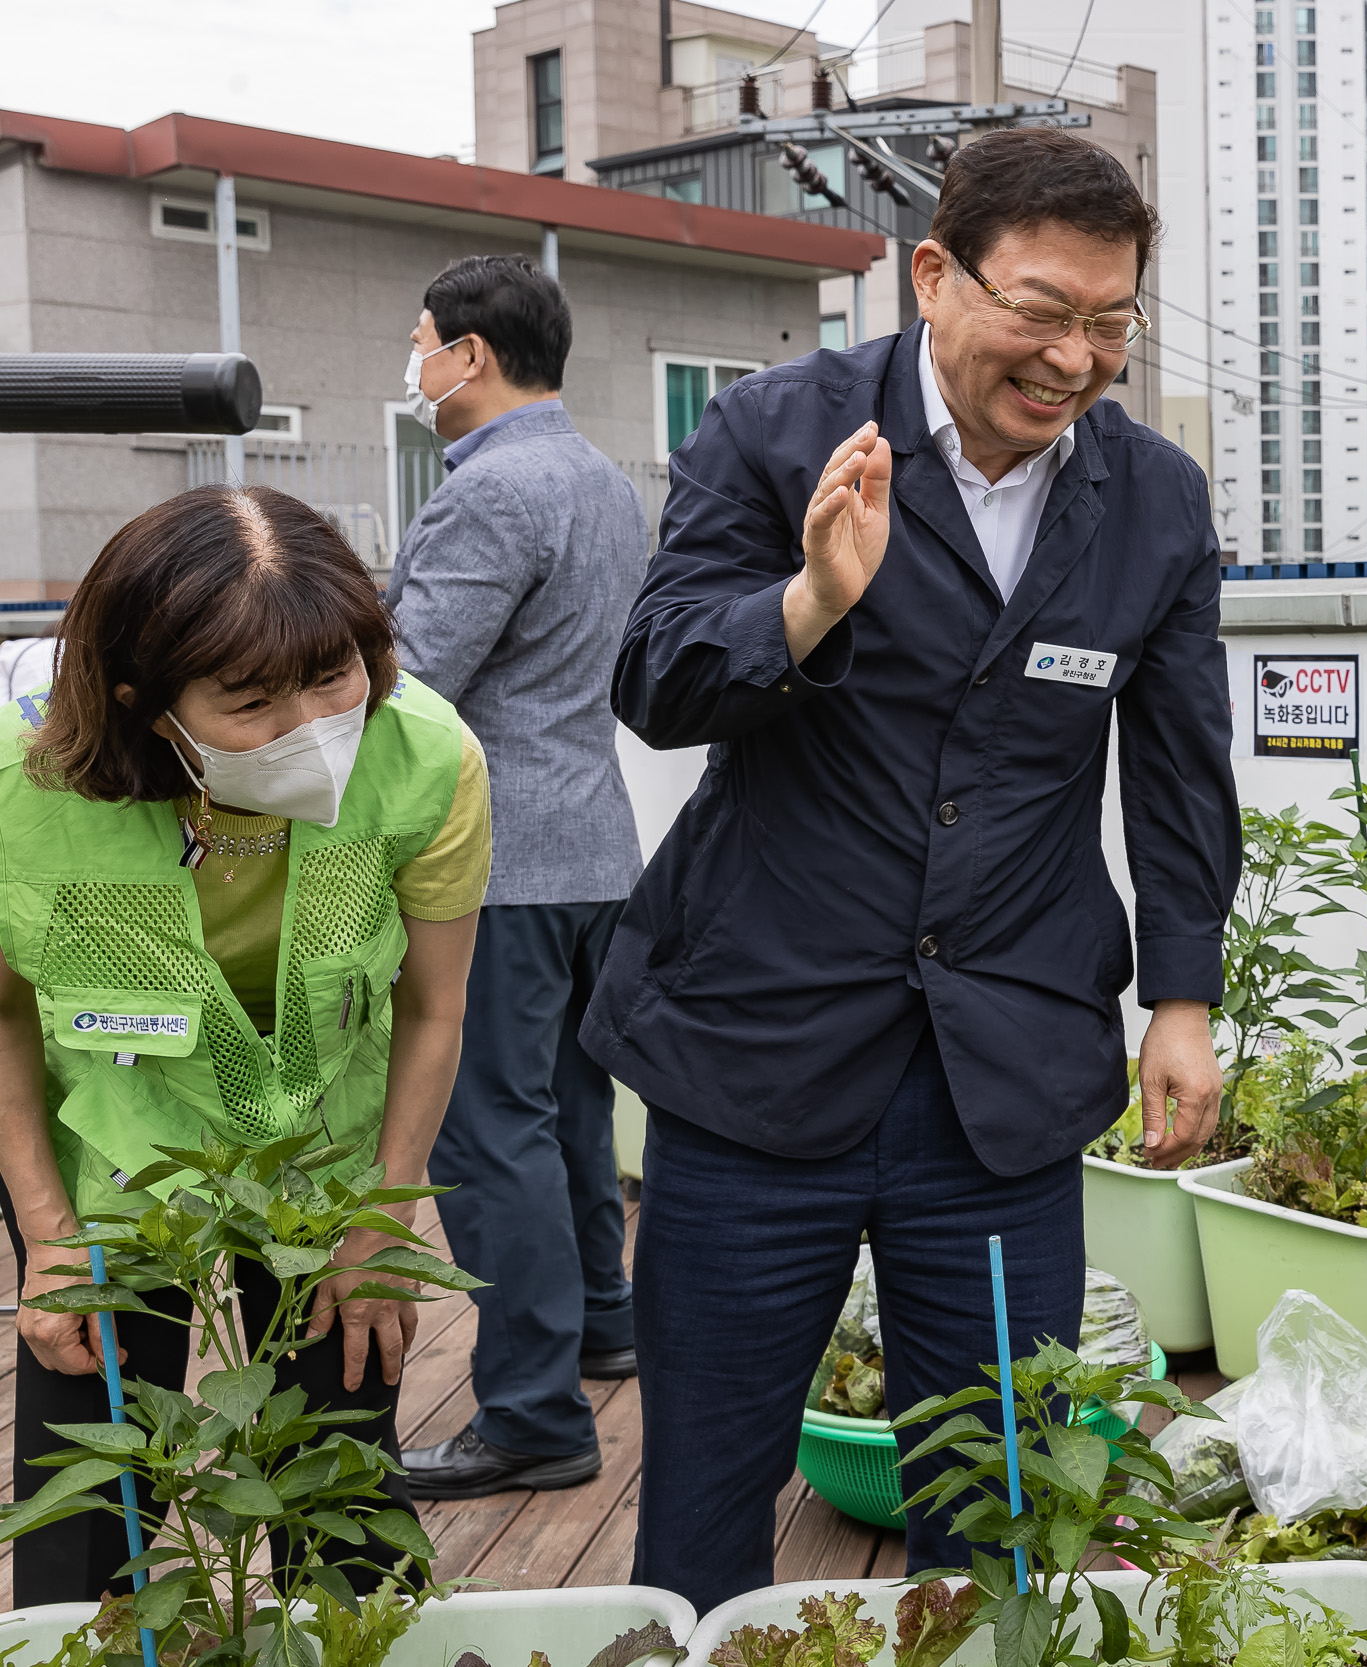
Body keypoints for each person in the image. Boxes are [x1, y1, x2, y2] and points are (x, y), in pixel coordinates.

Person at [582, 126, 1238, 1611]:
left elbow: (1183, 771)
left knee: (997, 1485)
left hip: (1000, 1072)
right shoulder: (774, 430)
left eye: (1111, 319)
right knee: (705, 1488)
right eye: (1041, 308)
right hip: (754, 1049)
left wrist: (1183, 999)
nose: (1074, 354)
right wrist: (811, 596)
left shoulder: (1153, 500)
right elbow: (657, 682)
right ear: (934, 277)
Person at [0, 485, 487, 1602]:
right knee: (92, 1488)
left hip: (323, 1140)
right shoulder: (20, 786)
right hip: (120, 1140)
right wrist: (46, 1232)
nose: (310, 724)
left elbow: (433, 1007)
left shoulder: (427, 761)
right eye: (250, 697)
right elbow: (3, 1011)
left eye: (334, 675)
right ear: (141, 700)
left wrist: (384, 1219)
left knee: (339, 1469)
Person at [384, 254, 647, 1502]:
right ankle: (603, 1324)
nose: (417, 363)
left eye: (423, 340)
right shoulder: (601, 480)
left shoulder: (491, 492)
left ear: (471, 353)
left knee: (490, 1135)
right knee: (571, 1115)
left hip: (496, 861)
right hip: (593, 844)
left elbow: (414, 680)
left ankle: (535, 1413)